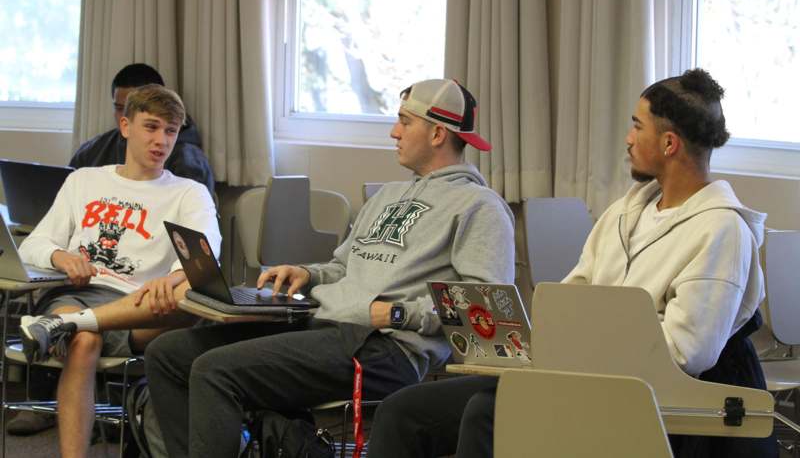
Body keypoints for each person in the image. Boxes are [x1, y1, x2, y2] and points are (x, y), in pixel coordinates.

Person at [366, 69, 777, 458]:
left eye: (637, 125)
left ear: (669, 144)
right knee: (402, 412)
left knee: (487, 415)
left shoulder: (722, 230)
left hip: (645, 396)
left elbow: (688, 353)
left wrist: (583, 351)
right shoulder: (625, 212)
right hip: (582, 374)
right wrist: (528, 343)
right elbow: (571, 297)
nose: (628, 138)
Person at [143, 78, 515, 457]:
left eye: (404, 121)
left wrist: (400, 313)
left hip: (384, 348)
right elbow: (342, 266)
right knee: (168, 353)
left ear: (437, 133)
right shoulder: (387, 195)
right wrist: (309, 274)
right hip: (324, 324)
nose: (394, 131)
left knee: (214, 371)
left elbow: (481, 310)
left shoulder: (480, 207)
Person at [18, 85, 221, 458]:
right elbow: (32, 244)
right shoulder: (85, 180)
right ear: (125, 126)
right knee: (85, 340)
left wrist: (174, 277)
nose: (161, 140)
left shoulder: (188, 193)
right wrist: (63, 257)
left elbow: (203, 260)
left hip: (142, 306)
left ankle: (70, 324)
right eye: (152, 127)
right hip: (79, 294)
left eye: (171, 131)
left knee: (191, 296)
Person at [69, 63, 215, 195]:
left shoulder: (188, 162)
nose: (126, 116)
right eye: (120, 108)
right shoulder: (91, 152)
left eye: (134, 109)